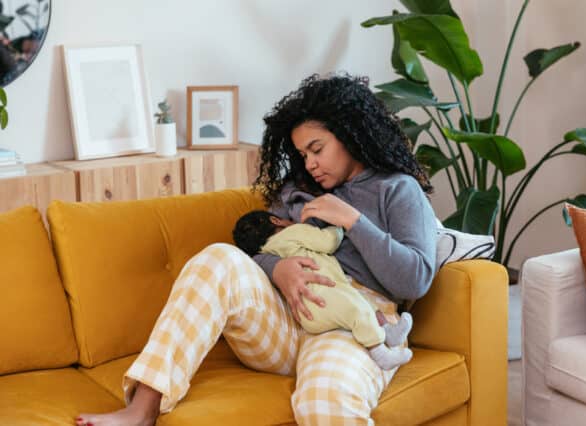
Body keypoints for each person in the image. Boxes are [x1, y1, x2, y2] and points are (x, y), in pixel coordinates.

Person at [76, 73, 437, 426]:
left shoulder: (397, 189)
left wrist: (353, 221)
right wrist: (276, 269)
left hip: (354, 324)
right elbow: (259, 248)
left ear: (350, 135)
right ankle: (143, 409)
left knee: (325, 404)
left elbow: (414, 280)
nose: (310, 163)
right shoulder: (299, 188)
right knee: (218, 258)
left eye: (317, 149)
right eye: (302, 154)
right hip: (282, 320)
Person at [233, 209, 414, 370]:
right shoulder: (292, 233)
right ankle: (380, 353)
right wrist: (338, 225)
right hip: (322, 298)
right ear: (276, 220)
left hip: (310, 311)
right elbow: (327, 242)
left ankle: (388, 332)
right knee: (357, 309)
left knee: (362, 303)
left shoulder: (267, 253)